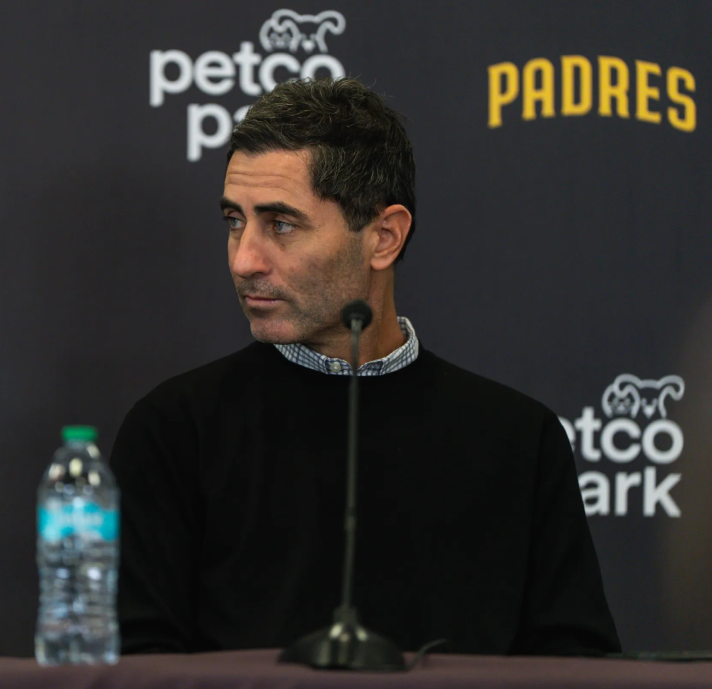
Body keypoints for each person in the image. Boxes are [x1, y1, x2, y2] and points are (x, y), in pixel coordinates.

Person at [110, 78, 620, 656]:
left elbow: (578, 668)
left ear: (384, 237)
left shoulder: (521, 442)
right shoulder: (174, 432)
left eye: (280, 225)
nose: (244, 259)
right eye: (234, 221)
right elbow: (134, 667)